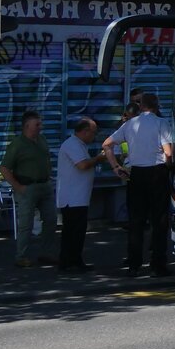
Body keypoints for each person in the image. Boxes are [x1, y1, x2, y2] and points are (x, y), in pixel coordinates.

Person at [103, 92, 173, 277]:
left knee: (136, 221)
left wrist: (116, 167)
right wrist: (169, 167)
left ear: (141, 106)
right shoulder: (161, 123)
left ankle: (134, 264)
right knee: (159, 220)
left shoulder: (129, 124)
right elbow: (168, 153)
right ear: (156, 106)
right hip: (157, 173)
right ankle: (158, 264)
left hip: (136, 174)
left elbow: (107, 145)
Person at [0, 110, 58, 267]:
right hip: (27, 187)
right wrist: (18, 186)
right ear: (27, 126)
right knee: (26, 223)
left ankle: (47, 252)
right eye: (37, 124)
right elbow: (4, 168)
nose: (40, 127)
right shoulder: (17, 144)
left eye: (40, 123)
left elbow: (46, 159)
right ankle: (21, 255)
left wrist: (49, 175)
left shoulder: (42, 140)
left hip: (44, 185)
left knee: (51, 219)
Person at [56, 117, 106, 272]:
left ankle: (73, 260)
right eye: (93, 133)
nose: (94, 136)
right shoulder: (72, 144)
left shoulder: (79, 145)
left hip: (78, 197)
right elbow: (82, 165)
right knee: (73, 231)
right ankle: (69, 261)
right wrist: (98, 158)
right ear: (84, 131)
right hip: (73, 198)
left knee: (75, 231)